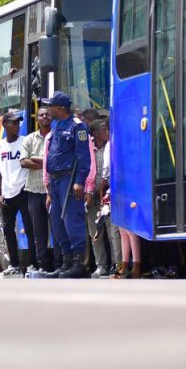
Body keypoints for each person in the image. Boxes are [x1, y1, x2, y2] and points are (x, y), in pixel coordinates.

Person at [42, 91, 92, 278]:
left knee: (72, 220)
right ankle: (67, 261)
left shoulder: (77, 127)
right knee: (57, 221)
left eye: (51, 105)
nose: (48, 109)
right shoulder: (56, 125)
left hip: (69, 180)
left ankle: (79, 264)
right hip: (55, 181)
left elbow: (83, 157)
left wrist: (80, 182)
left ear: (60, 108)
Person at [0, 110, 36, 277]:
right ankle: (14, 264)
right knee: (8, 229)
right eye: (14, 123)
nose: (17, 126)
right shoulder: (0, 146)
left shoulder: (25, 142)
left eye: (19, 123)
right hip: (7, 192)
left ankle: (33, 263)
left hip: (23, 189)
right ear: (5, 125)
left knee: (29, 227)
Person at [20, 106, 54, 274]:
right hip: (33, 191)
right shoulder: (29, 139)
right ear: (37, 119)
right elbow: (23, 162)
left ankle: (60, 263)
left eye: (48, 114)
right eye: (41, 115)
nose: (45, 117)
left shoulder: (56, 137)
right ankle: (43, 265)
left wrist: (37, 160)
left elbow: (59, 160)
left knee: (57, 229)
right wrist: (47, 162)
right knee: (38, 232)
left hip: (52, 192)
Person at [85, 118, 113, 277]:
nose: (106, 130)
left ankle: (116, 263)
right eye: (103, 128)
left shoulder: (111, 146)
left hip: (108, 196)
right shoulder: (88, 149)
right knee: (95, 234)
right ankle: (100, 265)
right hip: (92, 197)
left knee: (112, 232)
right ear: (94, 133)